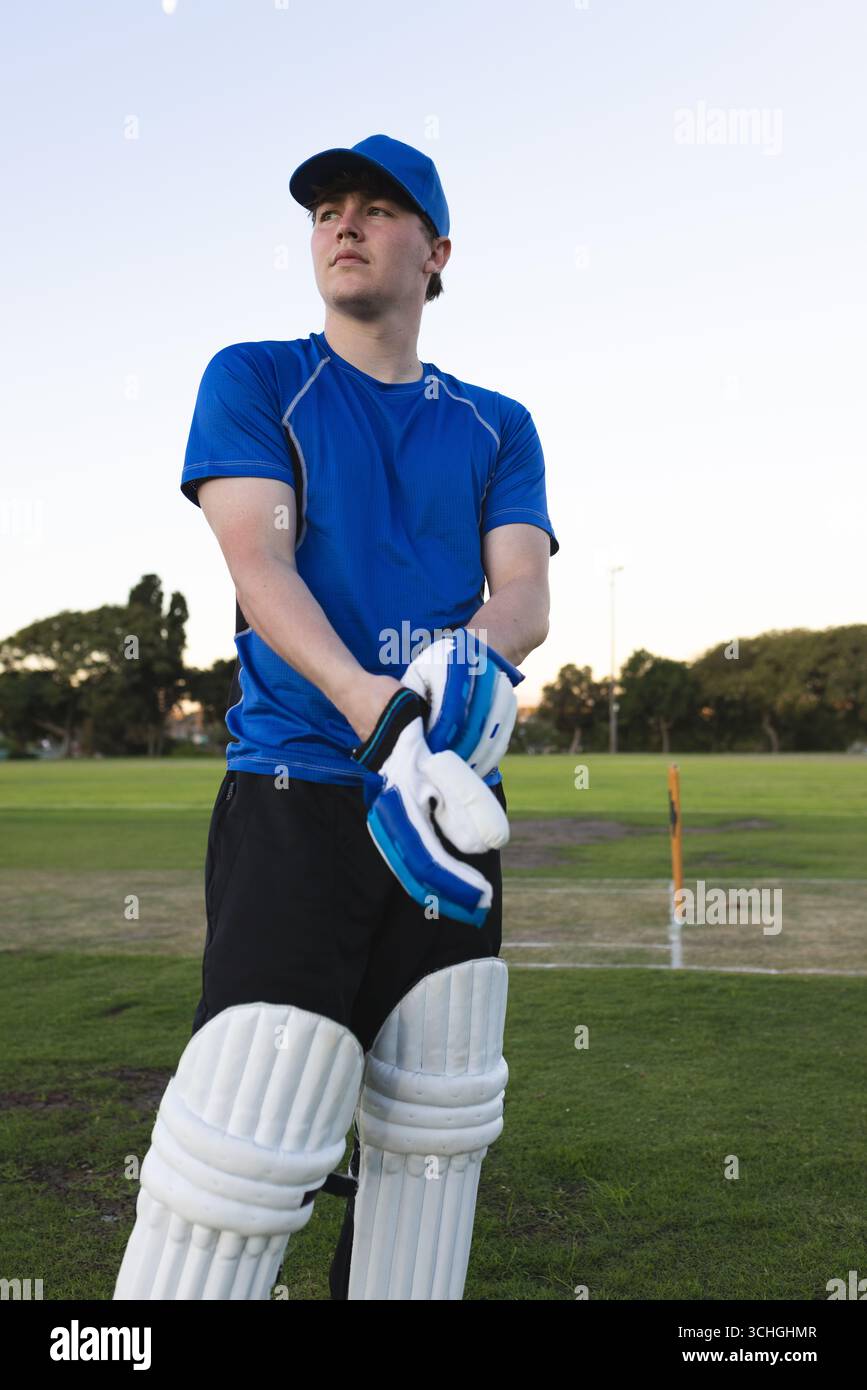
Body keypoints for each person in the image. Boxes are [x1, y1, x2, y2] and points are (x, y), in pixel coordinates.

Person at [113, 134, 558, 1301]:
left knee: (433, 1133)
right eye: (326, 211)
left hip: (450, 816)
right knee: (247, 1137)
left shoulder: (497, 422)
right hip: (301, 797)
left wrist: (464, 667)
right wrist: (387, 719)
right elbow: (262, 572)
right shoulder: (257, 376)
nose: (343, 224)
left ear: (438, 251)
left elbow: (525, 596)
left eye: (377, 209)